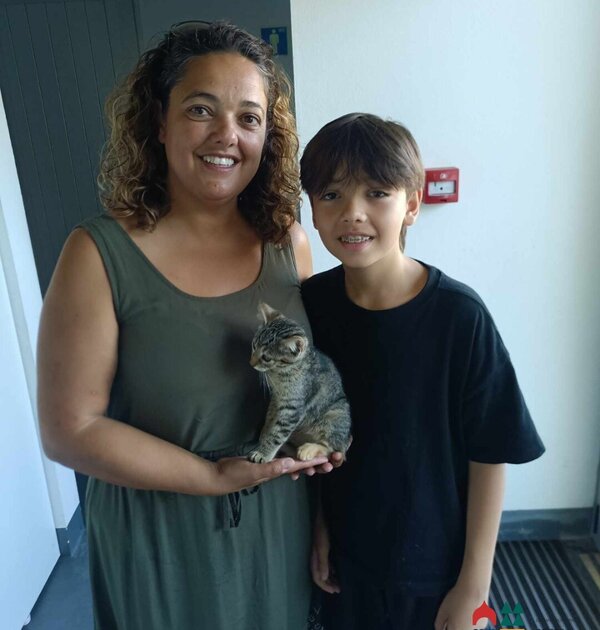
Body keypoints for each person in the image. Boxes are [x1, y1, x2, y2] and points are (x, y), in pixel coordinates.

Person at [37, 21, 336, 630]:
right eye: (201, 109)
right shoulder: (97, 254)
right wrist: (209, 477)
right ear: (159, 121)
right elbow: (69, 429)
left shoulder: (288, 245)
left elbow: (309, 392)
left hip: (277, 527)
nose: (227, 135)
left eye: (249, 118)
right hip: (160, 541)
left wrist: (325, 516)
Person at [300, 113, 545, 630]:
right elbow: (314, 433)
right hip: (347, 562)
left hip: (435, 569)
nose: (353, 213)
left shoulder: (459, 317)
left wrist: (474, 586)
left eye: (377, 193)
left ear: (411, 204)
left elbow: (491, 451)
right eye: (331, 195)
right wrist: (318, 525)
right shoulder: (311, 307)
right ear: (313, 210)